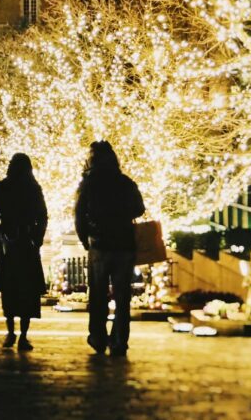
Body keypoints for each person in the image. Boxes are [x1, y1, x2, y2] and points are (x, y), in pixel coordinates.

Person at [74, 141, 145, 358]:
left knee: (97, 294)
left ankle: (97, 336)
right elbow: (139, 208)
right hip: (123, 244)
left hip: (100, 244)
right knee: (123, 296)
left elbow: (79, 215)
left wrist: (85, 239)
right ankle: (119, 340)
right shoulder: (124, 182)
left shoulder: (89, 184)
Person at [0, 152, 48, 351]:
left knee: (10, 289)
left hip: (8, 243)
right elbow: (43, 215)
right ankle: (23, 334)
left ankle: (11, 332)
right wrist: (37, 238)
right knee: (27, 291)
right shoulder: (33, 188)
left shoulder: (1, 187)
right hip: (26, 244)